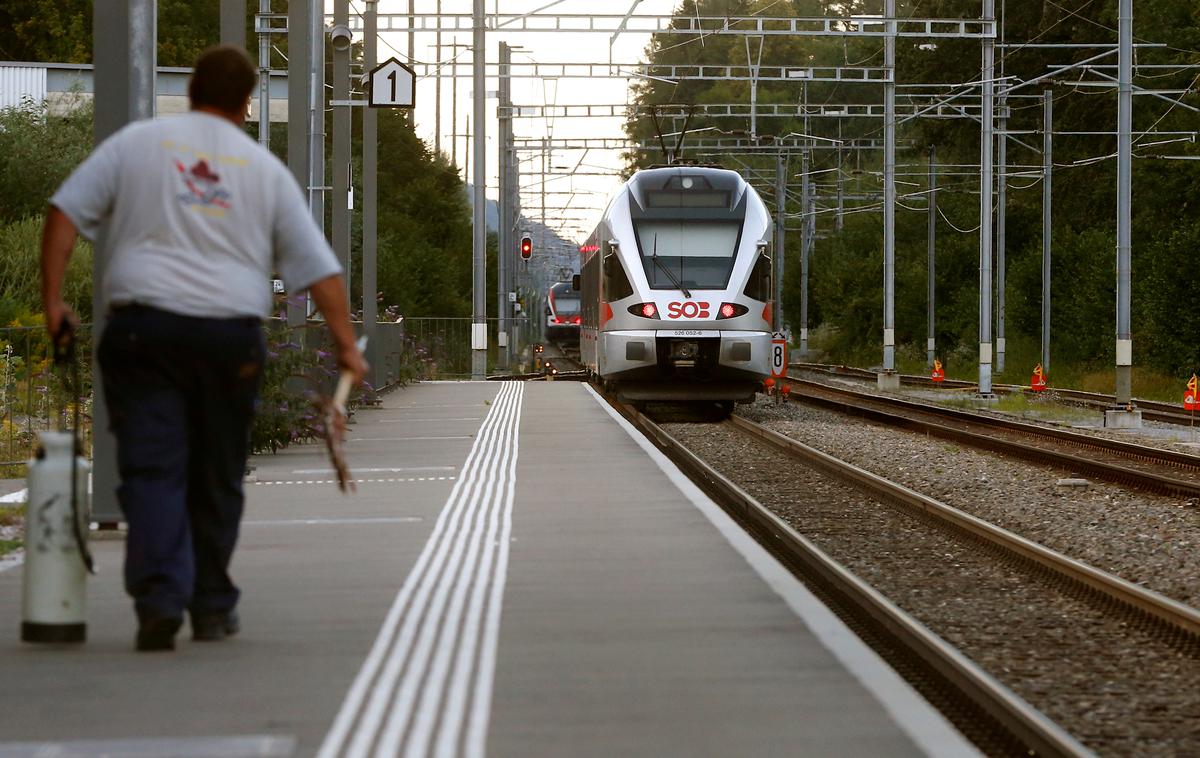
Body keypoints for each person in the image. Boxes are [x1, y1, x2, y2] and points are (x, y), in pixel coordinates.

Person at [40, 45, 367, 651]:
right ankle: (212, 603)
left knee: (152, 466)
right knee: (217, 470)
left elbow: (64, 214)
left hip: (143, 333)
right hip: (227, 339)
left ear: (190, 88)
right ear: (247, 103)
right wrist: (347, 347)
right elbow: (321, 272)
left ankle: (160, 599)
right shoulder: (262, 169)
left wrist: (54, 302)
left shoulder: (137, 144)